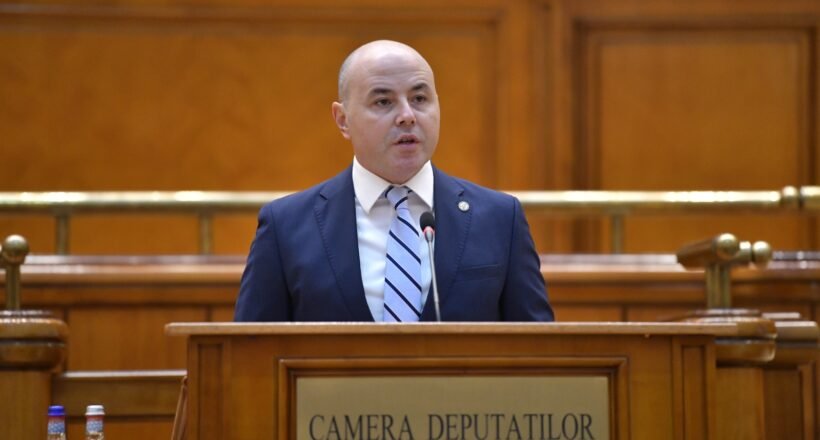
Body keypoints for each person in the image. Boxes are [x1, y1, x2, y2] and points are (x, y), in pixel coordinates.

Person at [234, 40, 553, 322]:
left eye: (419, 98)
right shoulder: (286, 226)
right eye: (383, 102)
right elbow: (249, 358)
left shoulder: (500, 218)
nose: (407, 115)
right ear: (343, 120)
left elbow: (539, 353)